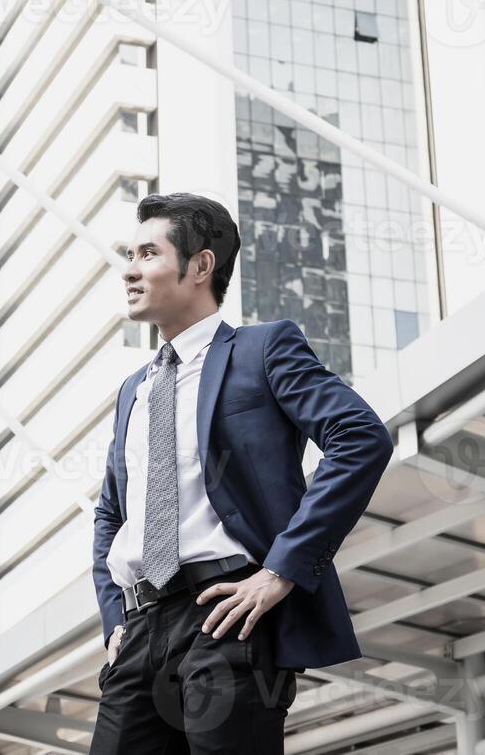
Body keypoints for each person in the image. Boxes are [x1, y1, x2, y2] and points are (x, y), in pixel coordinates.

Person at [90, 192, 394, 753]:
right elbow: (112, 511)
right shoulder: (133, 390)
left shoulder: (263, 349)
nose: (129, 271)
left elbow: (359, 438)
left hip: (227, 621)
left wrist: (281, 570)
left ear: (200, 265)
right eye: (129, 255)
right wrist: (114, 622)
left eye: (148, 255)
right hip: (138, 631)